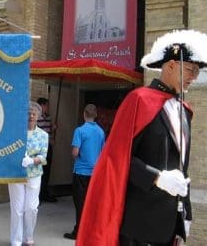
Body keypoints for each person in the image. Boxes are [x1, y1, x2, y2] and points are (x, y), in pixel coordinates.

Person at [76, 29, 207, 246]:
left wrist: (185, 214)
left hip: (170, 222)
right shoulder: (138, 100)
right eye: (191, 70)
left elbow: (182, 167)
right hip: (139, 223)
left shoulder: (185, 110)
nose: (194, 77)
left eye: (197, 72)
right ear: (171, 65)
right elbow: (118, 158)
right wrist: (157, 177)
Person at [8, 101, 48, 246]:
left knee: (31, 207)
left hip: (34, 173)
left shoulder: (43, 135)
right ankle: (16, 240)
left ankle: (28, 236)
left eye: (33, 114)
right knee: (17, 208)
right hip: (16, 173)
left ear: (38, 116)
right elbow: (8, 152)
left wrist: (31, 160)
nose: (31, 116)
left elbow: (43, 157)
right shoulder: (16, 133)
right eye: (28, 113)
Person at [64, 104, 105, 240]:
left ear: (84, 114)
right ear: (96, 115)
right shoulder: (101, 132)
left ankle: (79, 232)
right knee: (91, 203)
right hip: (94, 173)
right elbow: (102, 152)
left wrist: (77, 155)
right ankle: (91, 230)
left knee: (80, 203)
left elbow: (75, 152)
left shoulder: (79, 130)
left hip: (81, 172)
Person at [37, 97, 57, 202]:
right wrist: (49, 139)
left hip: (48, 147)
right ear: (41, 106)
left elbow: (48, 132)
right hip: (40, 148)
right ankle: (38, 196)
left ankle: (44, 193)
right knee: (40, 171)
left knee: (47, 171)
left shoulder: (48, 117)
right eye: (46, 105)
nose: (47, 108)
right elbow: (40, 133)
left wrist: (53, 128)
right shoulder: (36, 118)